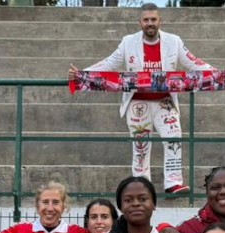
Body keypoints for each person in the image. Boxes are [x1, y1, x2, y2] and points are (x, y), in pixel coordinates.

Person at [68, 2, 216, 193]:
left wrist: (220, 75)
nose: (150, 23)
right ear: (140, 22)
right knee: (140, 147)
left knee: (174, 139)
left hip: (164, 101)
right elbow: (110, 63)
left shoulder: (174, 41)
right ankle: (142, 185)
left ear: (160, 21)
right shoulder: (128, 42)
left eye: (153, 19)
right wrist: (82, 74)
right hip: (137, 101)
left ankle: (173, 183)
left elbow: (194, 62)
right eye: (146, 20)